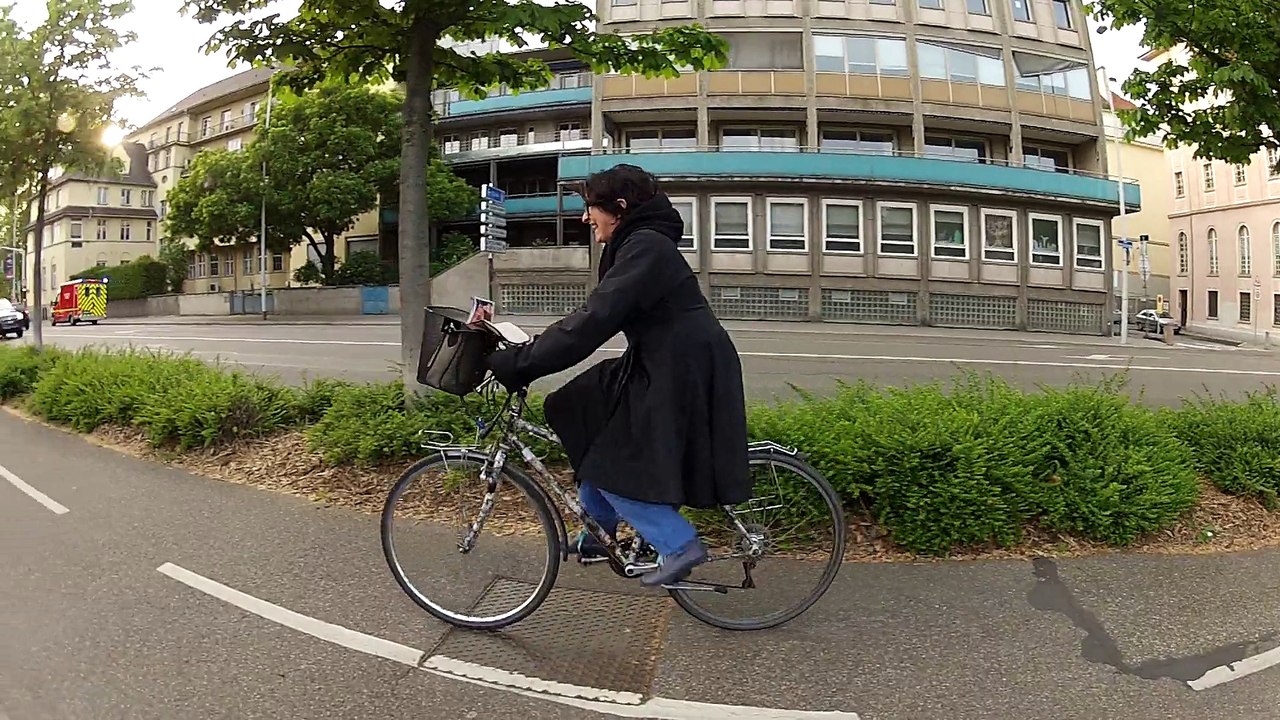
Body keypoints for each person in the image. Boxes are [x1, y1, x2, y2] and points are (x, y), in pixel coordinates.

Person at [485, 163, 753, 587]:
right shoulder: (636, 243)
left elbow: (594, 320)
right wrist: (527, 351)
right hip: (661, 358)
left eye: (591, 207)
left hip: (683, 366)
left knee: (614, 461)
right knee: (578, 408)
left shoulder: (646, 247)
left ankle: (678, 543)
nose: (584, 217)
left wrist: (522, 362)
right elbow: (592, 314)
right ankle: (600, 530)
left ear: (620, 207)